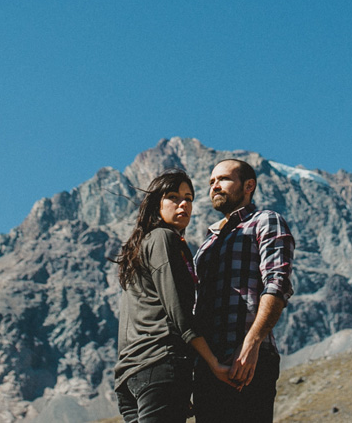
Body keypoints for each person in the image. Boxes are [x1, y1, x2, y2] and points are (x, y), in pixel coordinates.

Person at [113, 170, 235, 423]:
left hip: (129, 375)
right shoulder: (164, 238)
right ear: (156, 204)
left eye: (189, 198)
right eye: (173, 197)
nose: (183, 204)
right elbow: (178, 311)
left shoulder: (139, 245)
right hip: (160, 364)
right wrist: (212, 362)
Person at [192, 158, 295, 423]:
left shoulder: (265, 221)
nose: (215, 186)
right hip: (208, 368)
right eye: (211, 182)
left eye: (223, 179)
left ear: (249, 185)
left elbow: (278, 284)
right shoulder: (206, 245)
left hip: (249, 360)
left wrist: (252, 343)